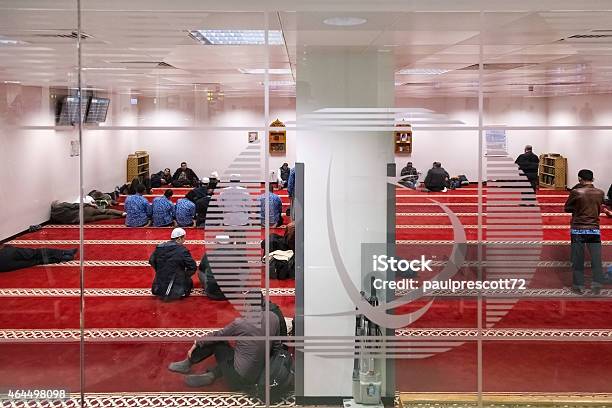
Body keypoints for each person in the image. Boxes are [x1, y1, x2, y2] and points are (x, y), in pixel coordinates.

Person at [167, 300, 281, 389]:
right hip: (260, 374)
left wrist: (196, 343)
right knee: (240, 353)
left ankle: (188, 362)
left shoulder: (241, 323)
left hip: (238, 379)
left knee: (218, 341)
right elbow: (276, 348)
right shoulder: (274, 318)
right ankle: (212, 375)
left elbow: (217, 336)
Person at [564, 169, 606, 295]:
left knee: (578, 258)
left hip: (578, 229)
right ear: (592, 179)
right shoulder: (600, 192)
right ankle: (597, 284)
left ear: (579, 179)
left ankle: (579, 286)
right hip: (594, 228)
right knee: (596, 258)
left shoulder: (576, 192)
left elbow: (567, 208)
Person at [149, 227, 197, 300]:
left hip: (158, 288)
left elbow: (151, 261)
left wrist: (160, 270)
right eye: (184, 238)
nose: (184, 241)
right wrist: (184, 275)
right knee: (188, 282)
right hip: (176, 289)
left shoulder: (159, 247)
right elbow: (193, 267)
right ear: (179, 239)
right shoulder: (182, 250)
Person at [0, 245, 77, 272]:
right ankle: (64, 253)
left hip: (4, 267)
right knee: (36, 253)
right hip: (6, 255)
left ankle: (64, 257)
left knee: (36, 261)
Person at [50, 201, 125, 224]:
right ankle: (122, 213)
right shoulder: (61, 205)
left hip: (81, 220)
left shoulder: (55, 217)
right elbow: (75, 205)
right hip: (85, 211)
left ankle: (119, 216)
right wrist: (89, 204)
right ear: (57, 204)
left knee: (104, 217)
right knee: (105, 211)